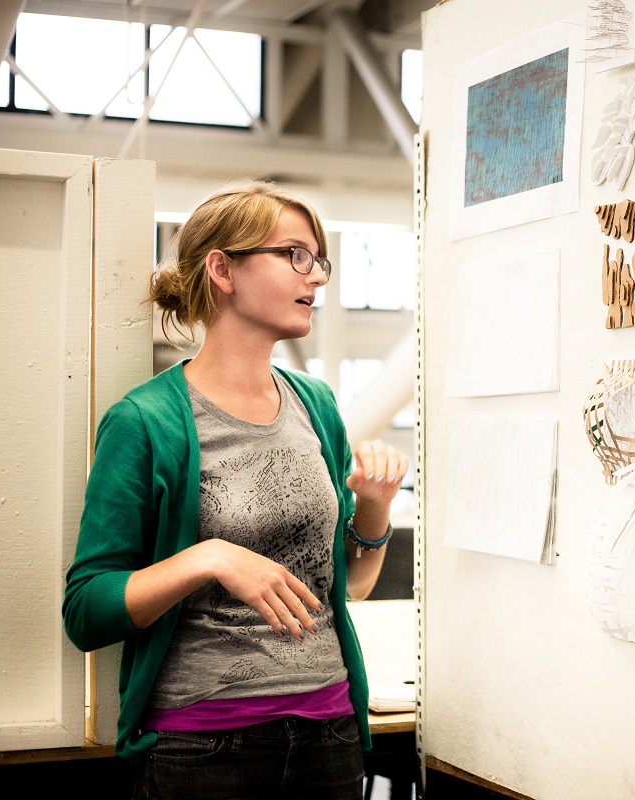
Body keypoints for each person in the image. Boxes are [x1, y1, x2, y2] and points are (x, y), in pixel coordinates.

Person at [62, 181, 407, 800]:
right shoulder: (145, 421)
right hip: (202, 750)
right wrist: (208, 558)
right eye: (295, 255)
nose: (317, 276)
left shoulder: (316, 405)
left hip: (329, 732)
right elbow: (87, 610)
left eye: (319, 260)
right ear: (222, 270)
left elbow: (348, 586)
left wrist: (375, 509)